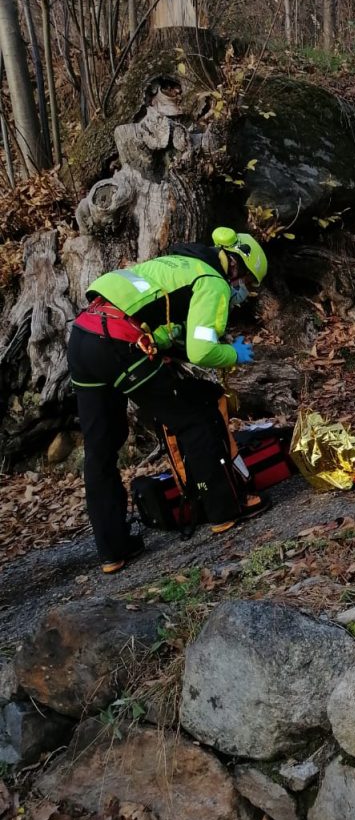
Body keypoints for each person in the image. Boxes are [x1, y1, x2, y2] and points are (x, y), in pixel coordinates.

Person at [67, 226, 269, 573]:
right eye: (247, 281)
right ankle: (224, 510)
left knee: (100, 450)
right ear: (235, 266)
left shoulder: (177, 262)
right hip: (116, 342)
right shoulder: (213, 281)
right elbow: (202, 349)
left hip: (83, 336)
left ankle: (113, 551)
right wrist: (232, 355)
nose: (244, 291)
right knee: (193, 416)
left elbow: (159, 325)